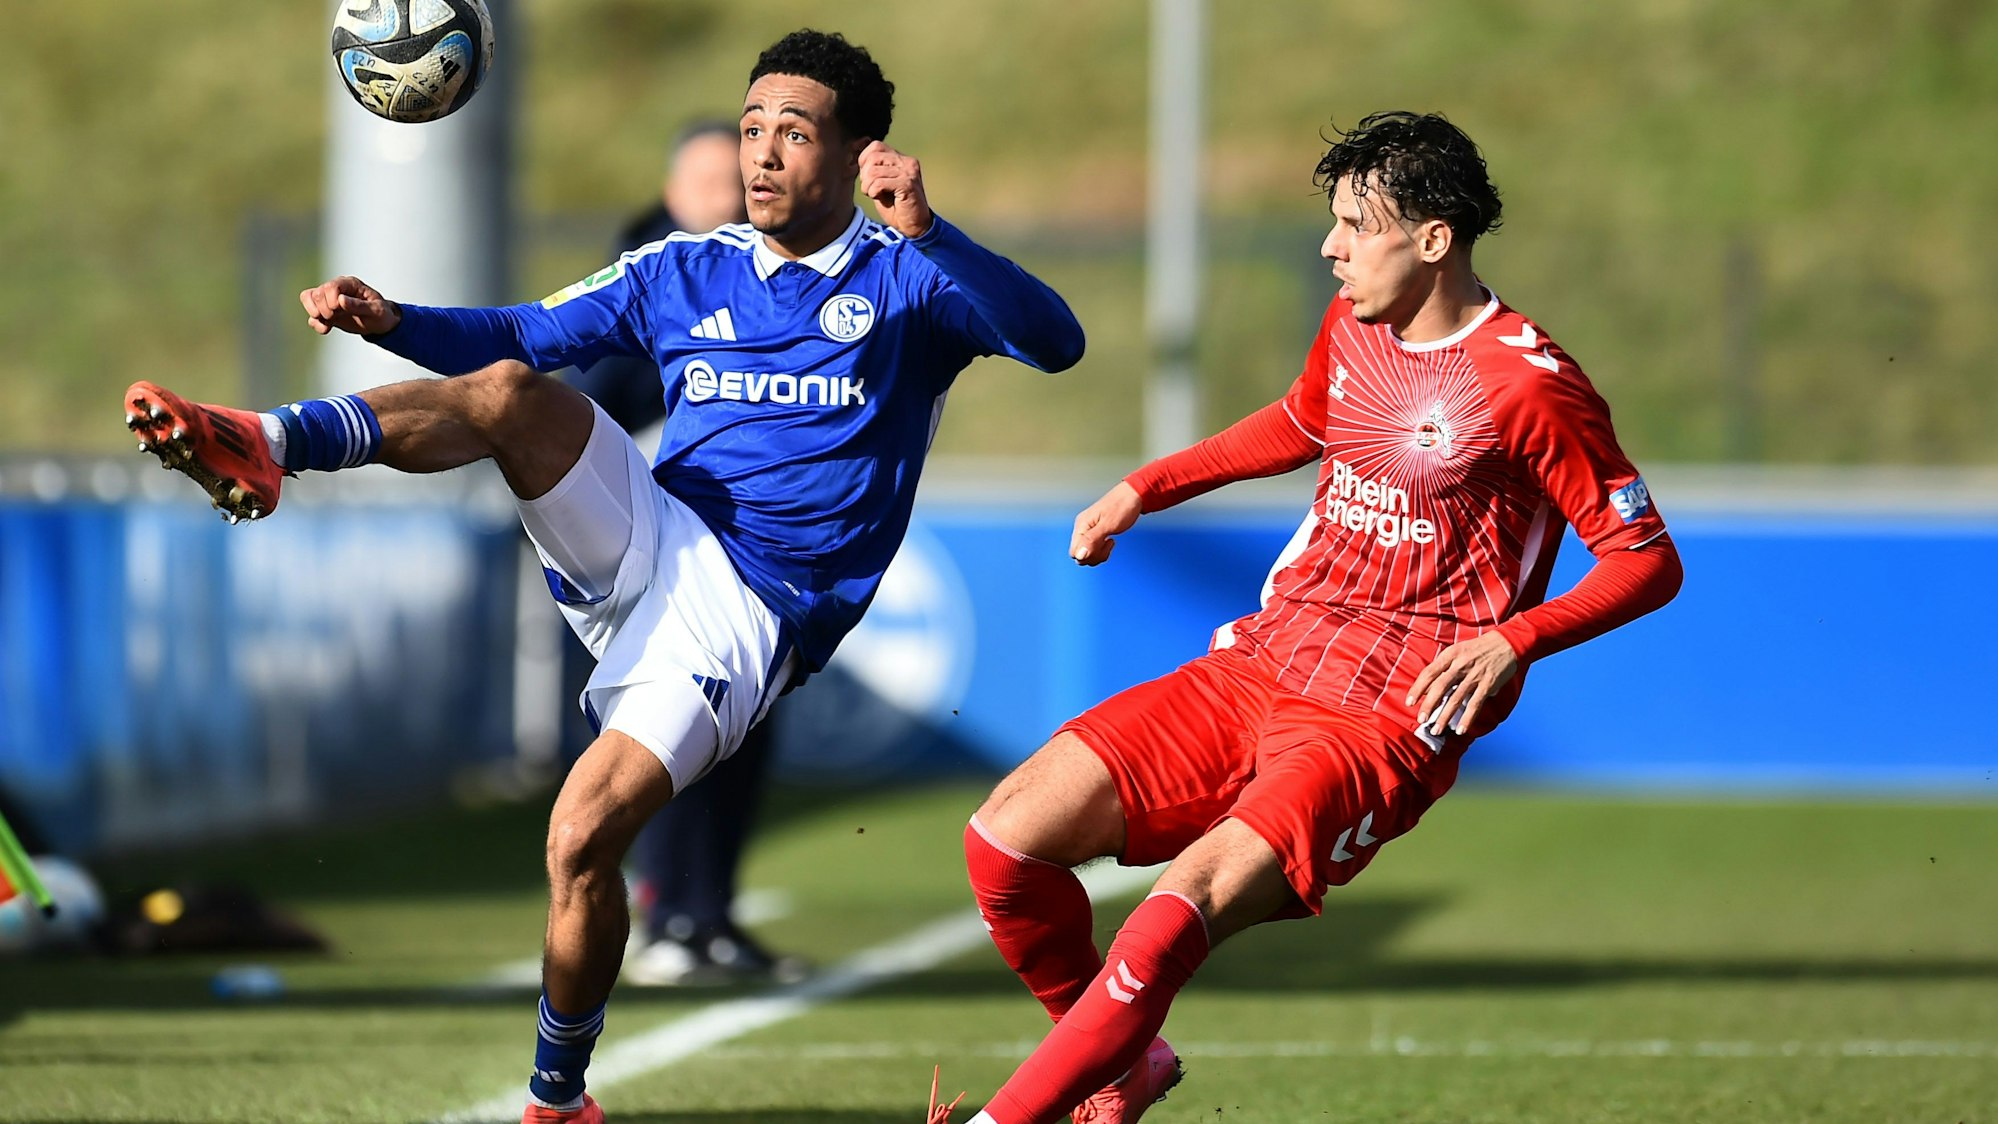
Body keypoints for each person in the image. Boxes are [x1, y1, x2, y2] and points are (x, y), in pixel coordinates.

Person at [121, 28, 1084, 1124]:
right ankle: (268, 438)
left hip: (752, 612)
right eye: (753, 125)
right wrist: (395, 322)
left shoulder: (914, 281)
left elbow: (1056, 341)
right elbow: (528, 330)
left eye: (795, 132)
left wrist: (933, 228)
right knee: (514, 392)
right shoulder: (687, 265)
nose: (763, 152)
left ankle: (557, 1098)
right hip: (652, 532)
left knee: (581, 837)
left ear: (865, 153)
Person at [940, 112, 1682, 1124]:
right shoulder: (1356, 324)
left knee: (1171, 918)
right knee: (1004, 838)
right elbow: (1298, 421)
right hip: (1270, 654)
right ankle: (1120, 1062)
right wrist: (1143, 488)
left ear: (1433, 239)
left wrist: (1514, 638)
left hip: (1385, 707)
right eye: (1331, 222)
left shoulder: (1526, 382)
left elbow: (1647, 559)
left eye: (1353, 226)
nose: (1330, 247)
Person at [560, 118, 806, 988]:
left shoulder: (784, 279)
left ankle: (710, 916)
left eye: (733, 179)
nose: (727, 195)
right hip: (639, 552)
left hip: (744, 558)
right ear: (671, 194)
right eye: (708, 180)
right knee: (651, 741)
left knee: (743, 739)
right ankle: (661, 911)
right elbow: (582, 408)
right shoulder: (642, 278)